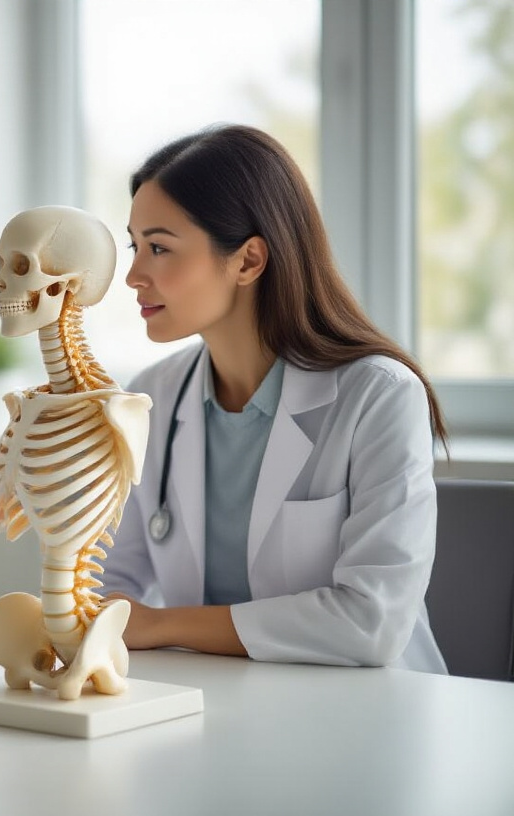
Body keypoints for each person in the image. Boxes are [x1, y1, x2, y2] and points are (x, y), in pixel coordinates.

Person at [101, 124, 448, 673]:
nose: (134, 275)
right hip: (214, 696)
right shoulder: (150, 397)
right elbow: (108, 585)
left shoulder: (379, 396)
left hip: (370, 703)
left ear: (248, 261)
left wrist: (161, 625)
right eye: (134, 246)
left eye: (159, 248)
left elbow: (370, 623)